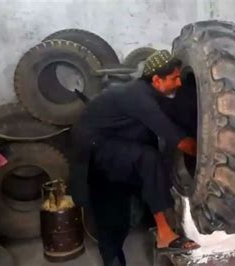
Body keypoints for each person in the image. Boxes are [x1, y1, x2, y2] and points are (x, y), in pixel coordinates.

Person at [69, 50, 199, 266]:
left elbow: (176, 113)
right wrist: (209, 158)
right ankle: (162, 237)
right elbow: (177, 139)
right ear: (157, 80)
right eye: (174, 78)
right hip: (95, 153)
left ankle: (157, 230)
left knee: (126, 202)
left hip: (116, 146)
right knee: (144, 166)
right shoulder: (139, 98)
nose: (178, 83)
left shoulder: (151, 93)